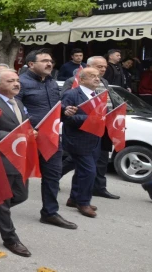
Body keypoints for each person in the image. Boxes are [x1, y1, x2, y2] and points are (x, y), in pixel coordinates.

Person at [16, 49, 77, 229]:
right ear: (31, 64)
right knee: (14, 178)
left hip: (51, 138)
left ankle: (49, 212)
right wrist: (27, 129)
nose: (49, 64)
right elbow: (14, 110)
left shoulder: (51, 83)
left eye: (50, 61)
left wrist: (65, 111)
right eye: (44, 61)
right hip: (28, 138)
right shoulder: (20, 83)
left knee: (52, 176)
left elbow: (56, 108)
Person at [60, 56, 120, 200]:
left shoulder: (104, 82)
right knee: (80, 164)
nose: (102, 71)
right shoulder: (73, 83)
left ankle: (98, 188)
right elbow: (65, 107)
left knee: (100, 159)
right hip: (82, 132)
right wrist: (90, 118)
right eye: (99, 67)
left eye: (104, 67)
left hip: (101, 128)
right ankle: (60, 180)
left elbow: (108, 101)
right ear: (87, 67)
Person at [0, 70, 32, 257]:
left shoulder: (19, 102)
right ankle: (10, 239)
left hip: (19, 159)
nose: (16, 84)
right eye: (10, 81)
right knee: (3, 201)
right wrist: (15, 137)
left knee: (21, 195)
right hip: (1, 160)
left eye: (17, 80)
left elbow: (22, 125)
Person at [61, 68, 104, 218]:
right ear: (82, 79)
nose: (97, 79)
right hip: (77, 140)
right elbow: (64, 117)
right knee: (89, 172)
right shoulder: (72, 94)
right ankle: (83, 202)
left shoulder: (96, 94)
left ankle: (74, 198)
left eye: (98, 76)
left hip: (93, 139)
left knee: (81, 171)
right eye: (92, 76)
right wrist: (90, 120)